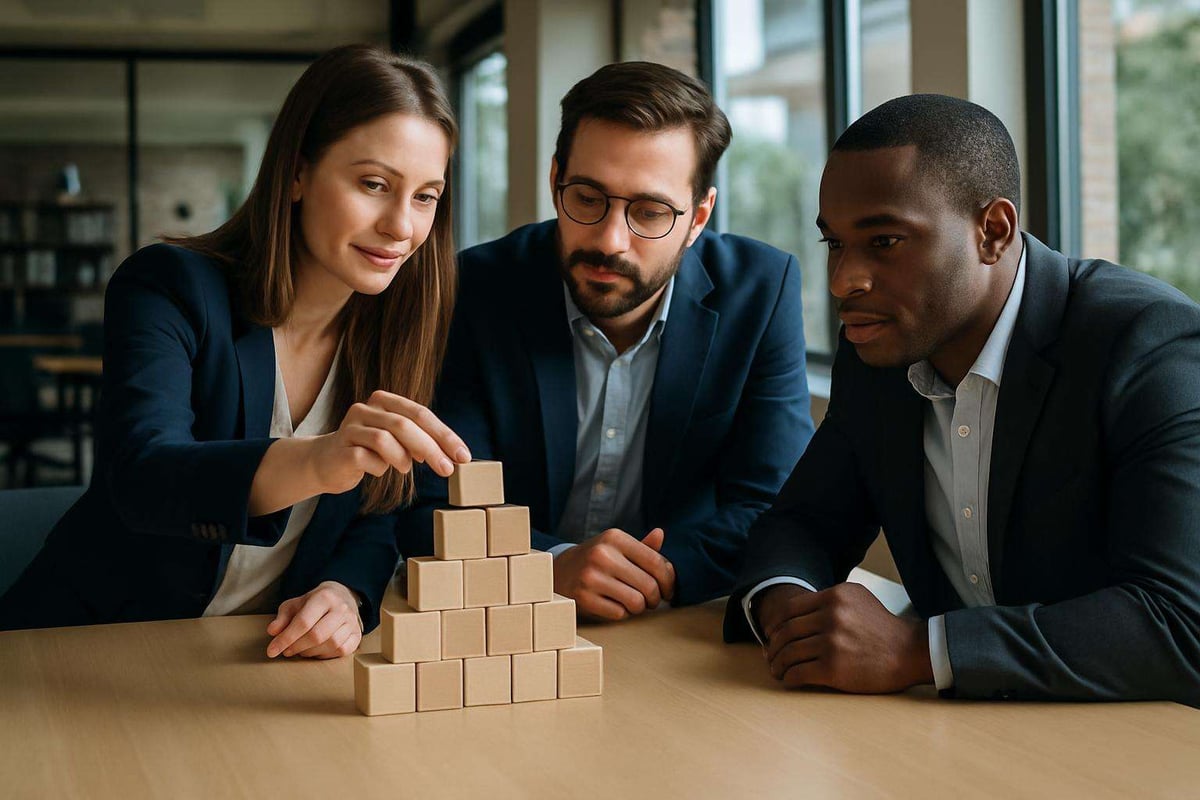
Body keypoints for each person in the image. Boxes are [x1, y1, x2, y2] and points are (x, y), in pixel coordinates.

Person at [724, 93, 1200, 706]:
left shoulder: (1148, 345)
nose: (844, 281)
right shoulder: (881, 349)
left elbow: (1178, 621)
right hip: (958, 733)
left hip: (1138, 741)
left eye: (884, 241)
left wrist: (916, 651)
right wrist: (788, 611)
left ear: (992, 232)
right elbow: (805, 522)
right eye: (835, 244)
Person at [0, 45, 472, 661]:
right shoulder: (169, 285)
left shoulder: (397, 330)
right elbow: (140, 476)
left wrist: (344, 591)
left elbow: (377, 515)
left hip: (244, 661)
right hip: (86, 645)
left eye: (425, 196)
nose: (401, 227)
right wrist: (315, 461)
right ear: (297, 173)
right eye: (374, 184)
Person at [396, 61, 814, 619]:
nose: (611, 240)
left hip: (673, 621)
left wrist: (657, 575)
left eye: (650, 212)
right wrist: (548, 565)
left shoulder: (761, 292)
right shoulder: (473, 288)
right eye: (588, 198)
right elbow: (429, 501)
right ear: (555, 182)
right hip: (509, 616)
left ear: (698, 218)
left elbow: (775, 503)